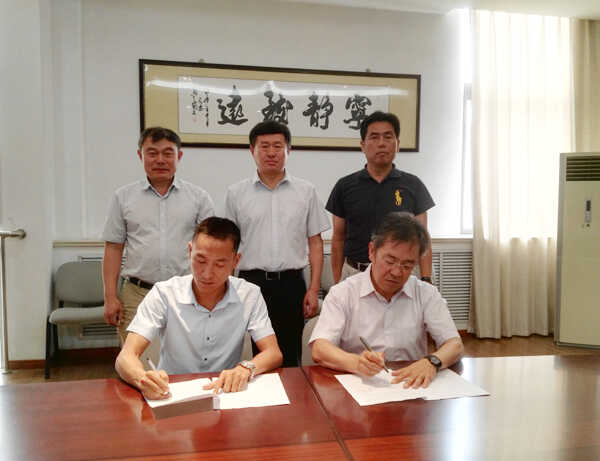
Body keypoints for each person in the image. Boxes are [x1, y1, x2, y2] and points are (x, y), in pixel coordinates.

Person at [115, 217, 283, 399]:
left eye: (220, 264)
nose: (207, 273)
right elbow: (126, 356)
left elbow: (273, 353)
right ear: (190, 251)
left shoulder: (249, 294)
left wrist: (246, 368)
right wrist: (143, 380)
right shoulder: (164, 293)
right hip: (173, 394)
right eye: (201, 260)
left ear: (236, 261)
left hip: (226, 393)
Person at [310, 212, 463, 389]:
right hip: (358, 386)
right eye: (390, 261)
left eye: (407, 265)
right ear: (372, 251)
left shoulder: (425, 293)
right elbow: (320, 349)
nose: (397, 272)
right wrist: (356, 362)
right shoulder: (343, 293)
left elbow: (455, 344)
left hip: (410, 386)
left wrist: (432, 361)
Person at [225, 121, 330, 367]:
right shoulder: (236, 193)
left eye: (277, 146)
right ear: (252, 151)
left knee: (291, 351)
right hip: (251, 282)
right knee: (256, 352)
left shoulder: (306, 191)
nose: (271, 152)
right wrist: (227, 287)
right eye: (264, 146)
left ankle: (292, 392)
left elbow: (315, 243)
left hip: (291, 283)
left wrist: (313, 289)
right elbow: (228, 246)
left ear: (288, 150)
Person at [102, 127, 215, 349]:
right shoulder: (123, 197)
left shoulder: (198, 198)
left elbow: (212, 249)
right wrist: (110, 297)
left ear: (179, 156)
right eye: (152, 153)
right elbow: (113, 248)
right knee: (136, 358)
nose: (160, 160)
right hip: (137, 293)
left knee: (189, 354)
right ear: (140, 155)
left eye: (167, 153)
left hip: (187, 293)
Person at [327, 111, 435, 284]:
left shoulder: (414, 185)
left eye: (388, 137)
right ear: (363, 145)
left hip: (400, 275)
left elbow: (423, 238)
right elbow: (338, 238)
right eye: (374, 137)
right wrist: (338, 282)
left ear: (397, 144)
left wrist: (426, 279)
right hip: (356, 274)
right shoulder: (345, 186)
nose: (381, 143)